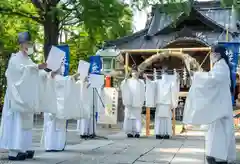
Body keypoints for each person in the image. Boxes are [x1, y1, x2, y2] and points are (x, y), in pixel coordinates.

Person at [183, 45, 236, 164]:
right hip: (219, 103)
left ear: (219, 54)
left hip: (221, 105)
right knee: (215, 130)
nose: (211, 55)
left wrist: (196, 75)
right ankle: (214, 154)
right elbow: (211, 79)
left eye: (213, 53)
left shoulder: (222, 66)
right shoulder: (220, 65)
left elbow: (211, 80)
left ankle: (220, 157)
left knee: (220, 131)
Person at [0, 32, 47, 160]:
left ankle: (23, 147)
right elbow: (19, 73)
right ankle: (13, 151)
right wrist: (36, 67)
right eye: (27, 43)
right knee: (16, 122)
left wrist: (46, 73)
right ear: (21, 45)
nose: (29, 46)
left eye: (30, 44)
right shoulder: (14, 59)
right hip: (16, 98)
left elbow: (34, 72)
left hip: (26, 97)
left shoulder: (28, 59)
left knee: (26, 124)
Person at [121, 66, 145, 138]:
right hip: (129, 102)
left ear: (138, 72)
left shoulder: (141, 82)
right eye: (133, 72)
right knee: (128, 117)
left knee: (137, 117)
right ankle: (129, 131)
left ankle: (137, 131)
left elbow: (143, 91)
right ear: (131, 73)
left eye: (136, 71)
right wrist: (125, 79)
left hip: (137, 101)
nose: (134, 73)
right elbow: (122, 86)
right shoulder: (127, 81)